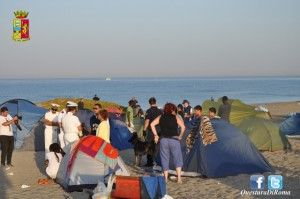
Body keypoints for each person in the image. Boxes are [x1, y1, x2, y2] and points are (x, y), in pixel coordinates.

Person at [150, 103, 185, 183]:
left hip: (164, 140)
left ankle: (165, 179)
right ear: (172, 109)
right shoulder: (175, 117)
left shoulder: (160, 117)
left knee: (164, 158)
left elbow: (152, 124)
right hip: (174, 140)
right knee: (177, 158)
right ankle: (179, 178)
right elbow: (183, 127)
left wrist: (156, 135)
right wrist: (180, 136)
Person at [143, 97, 162, 167]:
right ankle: (157, 161)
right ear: (155, 102)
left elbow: (147, 121)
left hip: (151, 131)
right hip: (159, 131)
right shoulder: (160, 111)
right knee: (157, 147)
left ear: (149, 103)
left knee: (150, 147)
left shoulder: (149, 111)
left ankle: (150, 162)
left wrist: (144, 130)